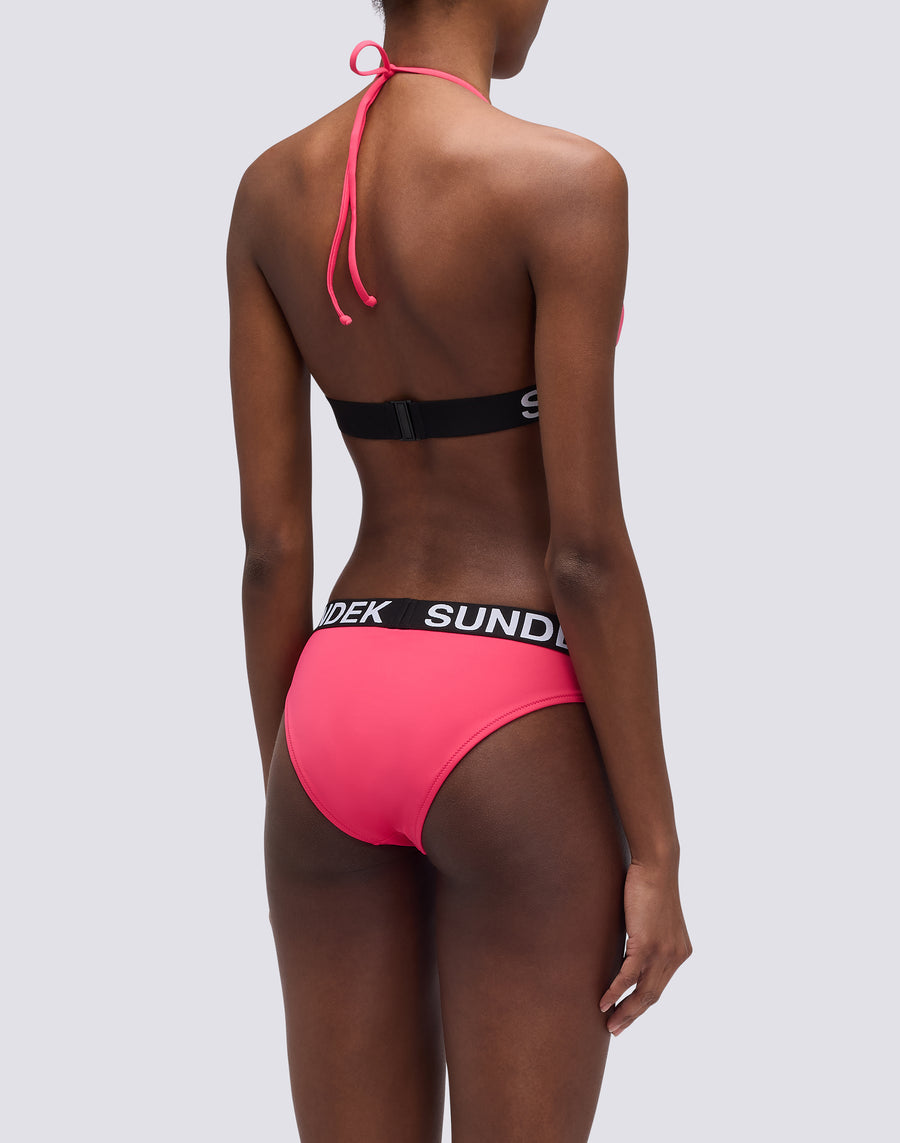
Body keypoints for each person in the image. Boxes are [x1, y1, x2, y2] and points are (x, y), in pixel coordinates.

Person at [227, 0, 692, 1138]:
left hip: (333, 700)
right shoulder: (566, 183)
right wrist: (657, 850)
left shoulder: (270, 190)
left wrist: (295, 773)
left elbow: (272, 548)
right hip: (509, 701)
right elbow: (585, 555)